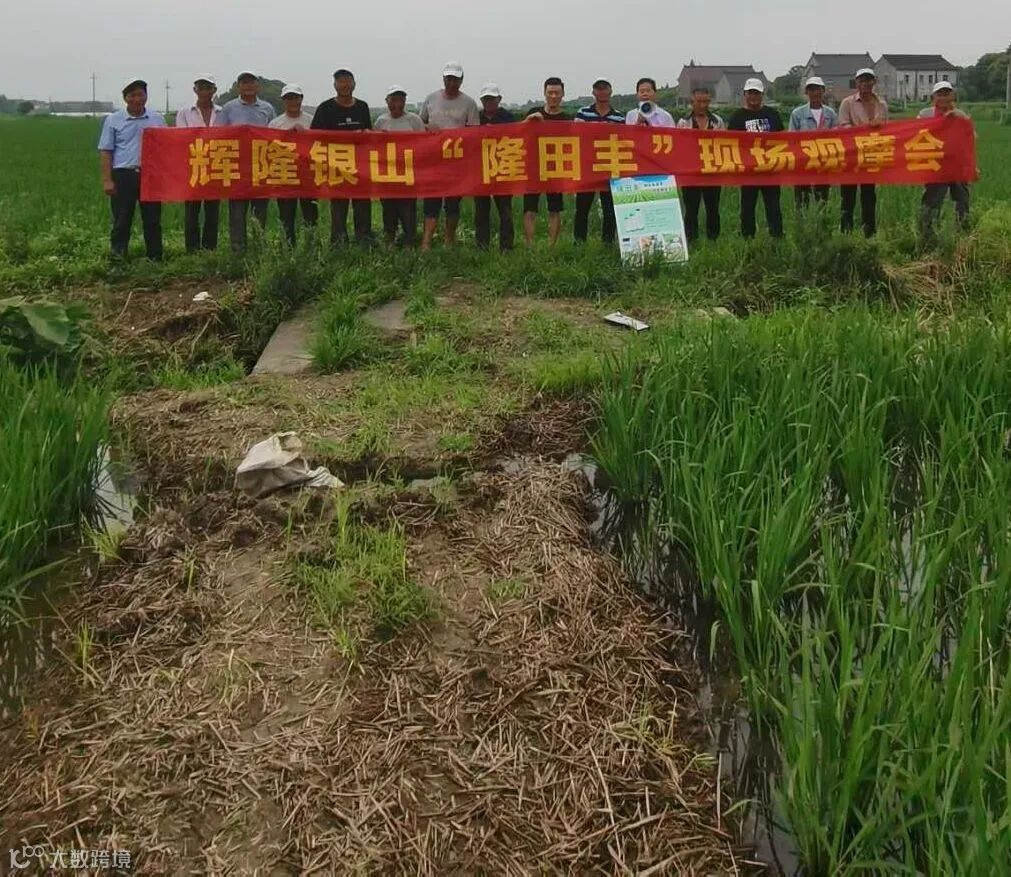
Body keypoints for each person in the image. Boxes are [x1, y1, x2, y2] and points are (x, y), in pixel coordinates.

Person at [97, 78, 166, 261]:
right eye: (132, 95)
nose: (137, 99)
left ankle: (155, 258)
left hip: (150, 176)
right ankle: (118, 258)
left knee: (152, 220)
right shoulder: (113, 120)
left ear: (146, 96)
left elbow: (166, 147)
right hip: (123, 175)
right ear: (125, 98)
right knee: (122, 220)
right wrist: (107, 180)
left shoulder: (157, 119)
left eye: (140, 95)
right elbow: (106, 151)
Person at [419, 61, 480, 250]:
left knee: (453, 203)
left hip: (456, 163)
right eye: (449, 79)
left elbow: (474, 133)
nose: (452, 83)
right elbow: (419, 124)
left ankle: (449, 240)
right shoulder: (431, 99)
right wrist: (428, 127)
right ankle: (426, 242)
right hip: (433, 160)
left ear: (461, 80)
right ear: (444, 79)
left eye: (456, 79)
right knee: (431, 202)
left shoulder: (469, 103)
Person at [310, 68, 374, 247]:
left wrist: (366, 133)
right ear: (335, 85)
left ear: (354, 84)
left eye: (348, 81)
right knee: (338, 205)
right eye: (341, 82)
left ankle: (364, 240)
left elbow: (368, 133)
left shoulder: (362, 107)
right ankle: (338, 243)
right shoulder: (325, 108)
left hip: (360, 165)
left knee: (363, 203)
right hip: (336, 165)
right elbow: (315, 136)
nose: (345, 85)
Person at [218, 70, 276, 252]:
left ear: (258, 86)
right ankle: (238, 250)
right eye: (244, 83)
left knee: (260, 211)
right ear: (238, 86)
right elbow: (219, 134)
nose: (248, 86)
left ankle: (259, 248)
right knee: (237, 211)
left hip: (261, 166)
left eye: (252, 83)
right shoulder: (228, 108)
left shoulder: (267, 108)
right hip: (237, 167)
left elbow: (274, 134)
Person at [727, 78, 784, 239]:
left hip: (770, 170)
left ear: (762, 95)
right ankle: (748, 238)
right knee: (747, 207)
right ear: (745, 94)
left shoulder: (772, 114)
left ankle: (777, 237)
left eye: (757, 93)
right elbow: (730, 143)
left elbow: (782, 139)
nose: (753, 96)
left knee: (773, 206)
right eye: (750, 93)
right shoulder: (737, 117)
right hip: (748, 171)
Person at [918, 81, 973, 242]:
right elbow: (917, 137)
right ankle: (927, 237)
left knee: (961, 200)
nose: (943, 98)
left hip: (957, 166)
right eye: (939, 94)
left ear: (953, 96)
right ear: (933, 97)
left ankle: (962, 236)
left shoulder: (960, 115)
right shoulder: (925, 114)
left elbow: (971, 138)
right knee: (932, 201)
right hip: (935, 167)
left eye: (946, 94)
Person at [838, 68, 888, 237]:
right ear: (857, 83)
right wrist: (866, 128)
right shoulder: (847, 103)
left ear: (874, 82)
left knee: (869, 196)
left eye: (868, 80)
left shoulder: (881, 104)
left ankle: (869, 234)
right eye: (862, 80)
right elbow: (843, 127)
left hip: (871, 155)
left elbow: (887, 129)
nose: (865, 83)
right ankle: (846, 234)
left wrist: (879, 127)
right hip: (851, 156)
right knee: (848, 197)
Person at [573, 79, 625, 244]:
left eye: (605, 89)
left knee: (610, 209)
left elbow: (624, 140)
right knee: (582, 208)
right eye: (599, 90)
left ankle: (607, 242)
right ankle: (579, 242)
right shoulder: (583, 113)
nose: (602, 93)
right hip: (587, 167)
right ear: (593, 93)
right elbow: (576, 135)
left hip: (610, 168)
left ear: (610, 92)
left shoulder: (618, 116)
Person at [374, 86, 425, 247]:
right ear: (387, 101)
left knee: (408, 210)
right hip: (387, 174)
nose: (397, 104)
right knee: (389, 210)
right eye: (393, 100)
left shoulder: (414, 120)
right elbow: (374, 146)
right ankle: (389, 240)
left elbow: (424, 144)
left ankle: (409, 242)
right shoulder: (381, 121)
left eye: (400, 100)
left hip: (408, 174)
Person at [175, 75, 221, 252]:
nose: (204, 91)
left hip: (216, 166)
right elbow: (181, 139)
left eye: (208, 88)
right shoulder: (185, 113)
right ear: (195, 90)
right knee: (191, 211)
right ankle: (192, 249)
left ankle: (210, 248)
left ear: (214, 90)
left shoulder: (222, 112)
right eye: (201, 88)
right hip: (193, 167)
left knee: (212, 211)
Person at [269, 84, 318, 246]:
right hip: (285, 176)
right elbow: (269, 149)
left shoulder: (312, 120)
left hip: (308, 176)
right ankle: (288, 248)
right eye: (289, 98)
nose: (292, 101)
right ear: (283, 100)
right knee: (286, 216)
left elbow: (320, 144)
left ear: (301, 99)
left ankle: (312, 247)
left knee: (311, 215)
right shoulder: (275, 124)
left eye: (295, 98)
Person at [523, 77, 570, 246]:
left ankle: (552, 246)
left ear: (563, 94)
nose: (553, 96)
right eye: (550, 92)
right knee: (529, 208)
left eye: (557, 93)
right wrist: (528, 121)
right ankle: (530, 245)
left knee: (555, 209)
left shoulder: (566, 119)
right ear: (544, 93)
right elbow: (518, 132)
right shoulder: (534, 112)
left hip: (555, 167)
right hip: (533, 166)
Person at [676, 87, 725, 243]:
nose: (702, 105)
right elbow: (678, 146)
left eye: (706, 101)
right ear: (692, 102)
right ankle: (691, 239)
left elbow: (724, 144)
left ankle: (713, 239)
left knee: (713, 208)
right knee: (691, 209)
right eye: (699, 102)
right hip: (691, 172)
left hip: (712, 172)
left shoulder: (717, 121)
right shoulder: (684, 122)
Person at [474, 83, 515, 252]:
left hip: (502, 167)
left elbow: (516, 137)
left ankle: (506, 247)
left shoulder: (508, 117)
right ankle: (482, 246)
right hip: (481, 169)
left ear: (499, 99)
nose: (489, 102)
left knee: (505, 210)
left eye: (492, 99)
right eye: (486, 99)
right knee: (481, 210)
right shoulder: (476, 118)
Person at [789, 76, 839, 210]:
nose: (815, 93)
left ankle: (822, 223)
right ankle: (802, 223)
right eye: (811, 90)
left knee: (822, 200)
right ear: (806, 92)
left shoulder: (830, 114)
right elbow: (792, 139)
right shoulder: (797, 113)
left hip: (823, 163)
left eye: (817, 89)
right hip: (803, 163)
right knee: (801, 200)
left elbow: (837, 137)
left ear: (823, 91)